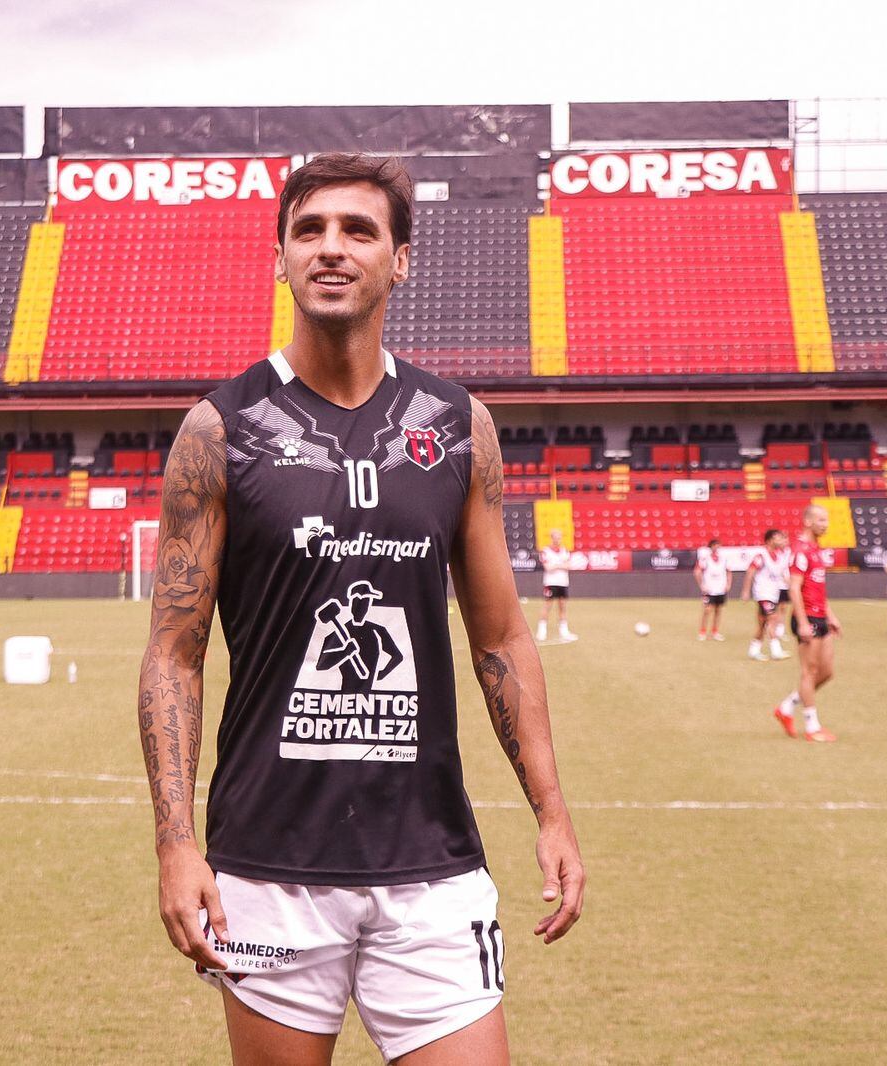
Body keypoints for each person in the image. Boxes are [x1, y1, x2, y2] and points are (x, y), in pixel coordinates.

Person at [136, 153, 584, 1066]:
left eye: (358, 230)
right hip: (266, 865)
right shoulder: (219, 431)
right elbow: (174, 656)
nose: (330, 249)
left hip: (431, 861)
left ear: (400, 259)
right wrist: (178, 846)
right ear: (280, 258)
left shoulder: (459, 426)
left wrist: (551, 809)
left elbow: (498, 636)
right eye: (309, 230)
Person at [773, 505, 839, 742]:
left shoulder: (816, 550)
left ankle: (786, 707)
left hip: (821, 616)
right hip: (807, 618)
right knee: (809, 671)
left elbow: (818, 588)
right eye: (821, 520)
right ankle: (812, 727)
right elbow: (794, 588)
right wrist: (801, 622)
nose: (825, 524)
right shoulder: (800, 551)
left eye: (827, 519)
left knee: (826, 672)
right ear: (808, 522)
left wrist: (830, 615)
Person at [742, 528, 792, 662]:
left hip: (773, 594)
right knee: (773, 619)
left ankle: (754, 650)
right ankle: (776, 651)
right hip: (763, 594)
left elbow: (783, 574)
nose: (781, 540)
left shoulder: (780, 556)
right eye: (778, 538)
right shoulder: (761, 556)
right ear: (769, 540)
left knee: (762, 624)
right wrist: (746, 591)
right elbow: (750, 572)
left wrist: (792, 587)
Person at [536, 529, 577, 642]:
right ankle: (542, 630)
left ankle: (564, 631)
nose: (557, 539)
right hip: (551, 582)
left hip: (563, 582)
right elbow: (548, 568)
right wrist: (561, 565)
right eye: (555, 537)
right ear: (552, 537)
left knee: (562, 606)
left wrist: (556, 565)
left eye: (559, 537)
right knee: (547, 605)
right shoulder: (546, 551)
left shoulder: (565, 551)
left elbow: (568, 565)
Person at [695, 537, 731, 641]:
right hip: (709, 589)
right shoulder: (705, 559)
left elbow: (729, 571)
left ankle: (715, 631)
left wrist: (728, 584)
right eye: (714, 545)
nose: (716, 547)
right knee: (707, 610)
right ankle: (702, 631)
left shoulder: (724, 559)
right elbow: (697, 572)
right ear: (710, 547)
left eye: (718, 545)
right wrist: (702, 585)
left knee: (718, 610)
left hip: (720, 588)